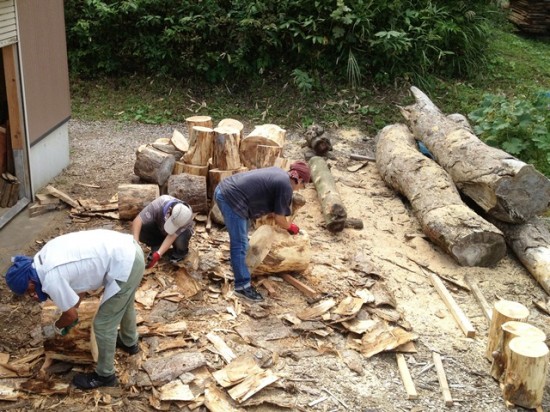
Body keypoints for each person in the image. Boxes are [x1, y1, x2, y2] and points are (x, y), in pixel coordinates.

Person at [4, 229, 145, 390]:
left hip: (126, 263)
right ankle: (129, 342)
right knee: (124, 304)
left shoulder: (50, 279)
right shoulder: (42, 258)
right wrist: (70, 309)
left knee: (103, 324)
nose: (31, 295)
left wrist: (57, 326)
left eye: (28, 291)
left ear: (29, 280)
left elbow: (71, 315)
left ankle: (105, 376)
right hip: (130, 250)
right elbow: (80, 287)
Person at [214, 161, 311, 302]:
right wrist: (291, 227)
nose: (300, 189)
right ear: (299, 179)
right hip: (231, 197)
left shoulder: (279, 175)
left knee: (242, 235)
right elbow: (279, 218)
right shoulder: (285, 186)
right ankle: (242, 287)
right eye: (303, 185)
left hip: (227, 190)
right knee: (240, 244)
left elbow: (272, 207)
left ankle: (239, 264)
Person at [132, 195, 194, 268]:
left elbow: (172, 236)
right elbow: (137, 221)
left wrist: (158, 254)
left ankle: (179, 253)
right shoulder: (159, 204)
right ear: (169, 211)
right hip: (160, 227)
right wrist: (135, 246)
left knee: (180, 241)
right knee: (142, 229)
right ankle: (157, 244)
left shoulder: (187, 217)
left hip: (178, 234)